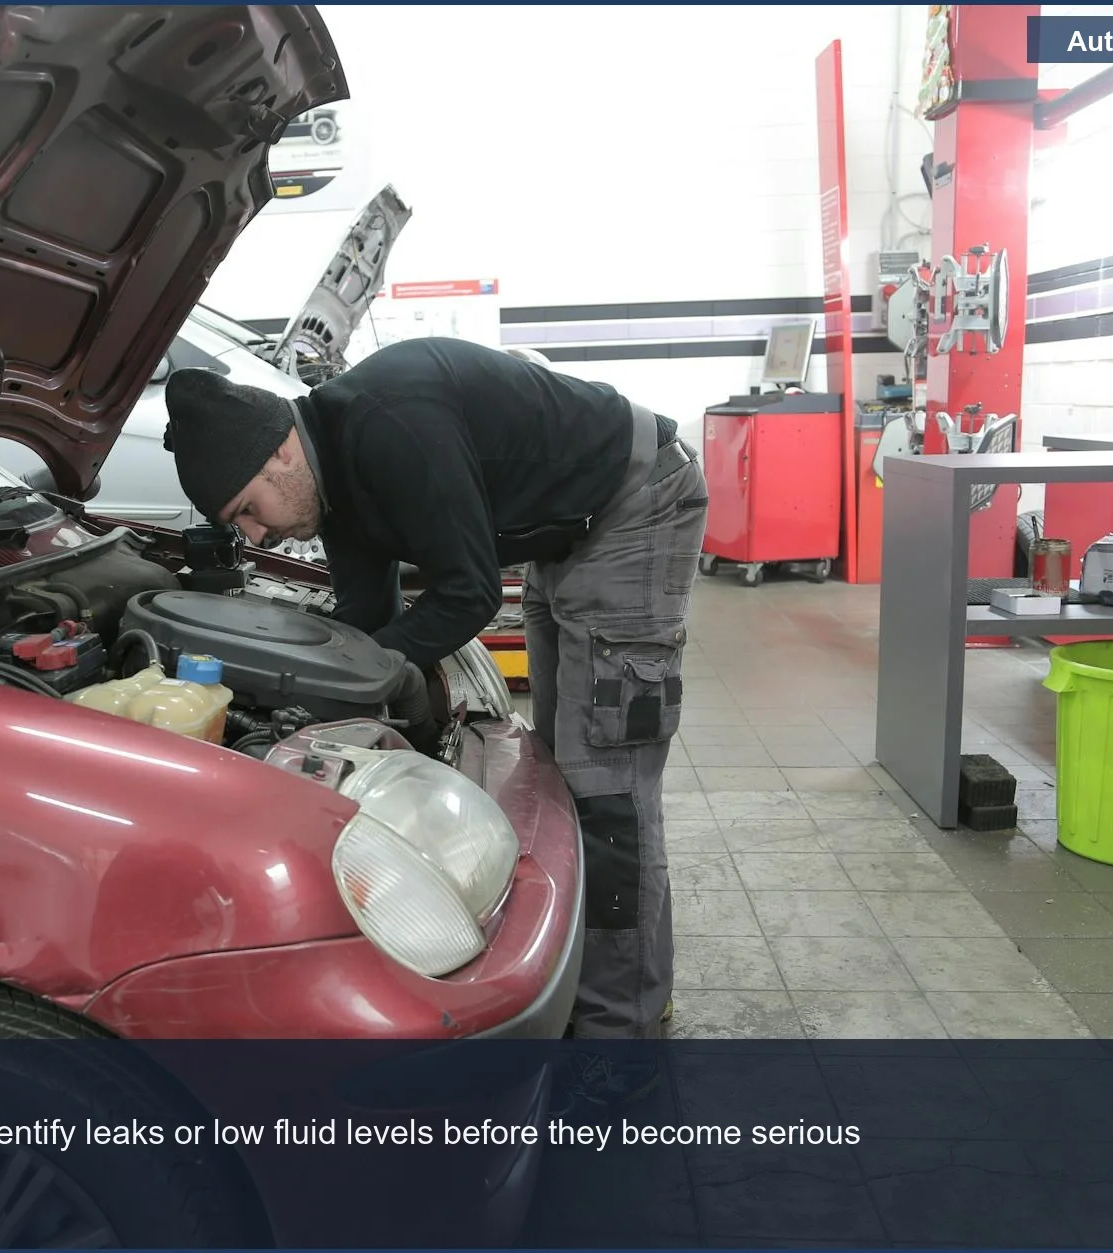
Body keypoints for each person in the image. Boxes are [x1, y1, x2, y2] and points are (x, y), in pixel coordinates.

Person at [160, 336, 709, 1049]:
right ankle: (618, 990)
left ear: (282, 453)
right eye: (240, 526)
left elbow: (469, 592)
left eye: (248, 508)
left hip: (632, 505)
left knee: (608, 792)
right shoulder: (332, 484)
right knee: (571, 777)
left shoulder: (386, 426)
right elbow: (366, 617)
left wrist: (382, 669)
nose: (258, 532)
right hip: (559, 535)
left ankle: (621, 1040)